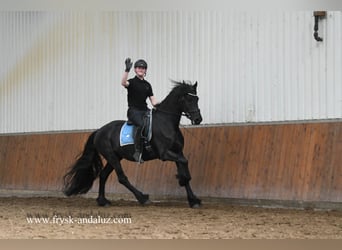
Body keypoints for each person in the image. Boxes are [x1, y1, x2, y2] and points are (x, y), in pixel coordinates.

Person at [121, 58, 158, 163]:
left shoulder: (147, 85)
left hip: (145, 110)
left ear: (145, 70)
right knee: (141, 124)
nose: (141, 69)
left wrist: (161, 108)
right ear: (135, 70)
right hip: (134, 111)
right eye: (139, 68)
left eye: (143, 68)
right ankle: (137, 151)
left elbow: (153, 101)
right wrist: (126, 70)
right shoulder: (132, 82)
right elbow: (123, 83)